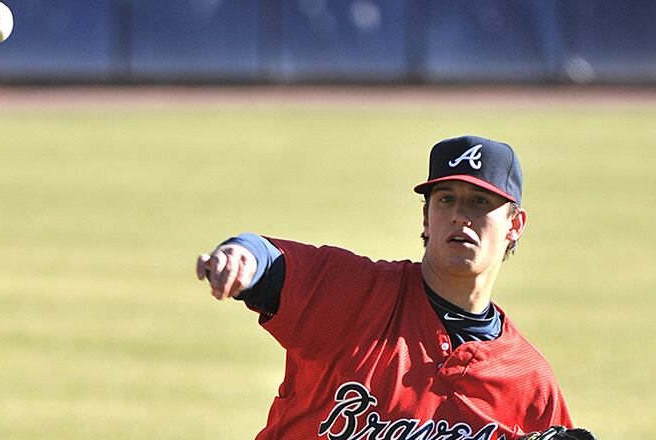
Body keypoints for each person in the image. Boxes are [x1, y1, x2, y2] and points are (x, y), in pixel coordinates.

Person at [196, 135, 577, 440]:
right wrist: (242, 255)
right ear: (426, 217)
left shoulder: (528, 381)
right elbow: (273, 262)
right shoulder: (355, 294)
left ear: (514, 225)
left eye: (479, 202)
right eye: (446, 199)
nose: (459, 215)